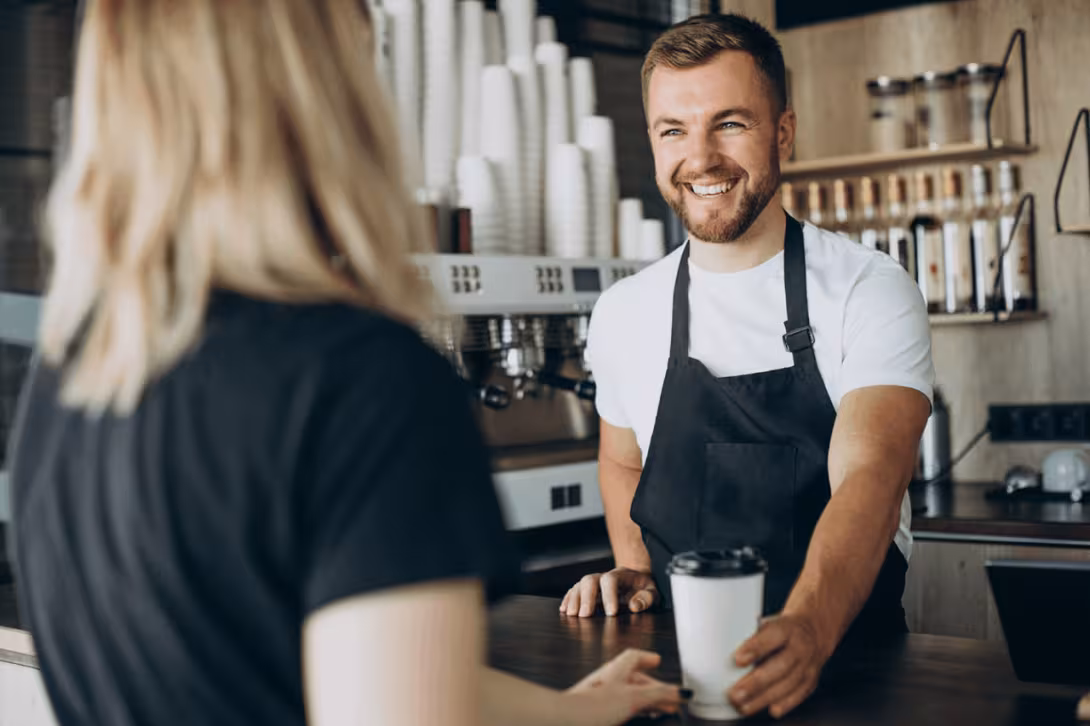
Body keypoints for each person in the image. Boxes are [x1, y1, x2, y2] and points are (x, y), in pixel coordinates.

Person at [8, 2, 683, 725]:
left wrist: (569, 714)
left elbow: (344, 672)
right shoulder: (362, 380)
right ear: (325, 94)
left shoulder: (72, 374)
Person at [560, 12, 935, 720]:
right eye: (674, 129)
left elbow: (871, 480)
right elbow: (622, 463)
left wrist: (810, 630)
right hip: (680, 680)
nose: (699, 158)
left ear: (782, 132)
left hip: (848, 669)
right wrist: (634, 569)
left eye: (729, 123)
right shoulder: (624, 311)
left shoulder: (868, 288)